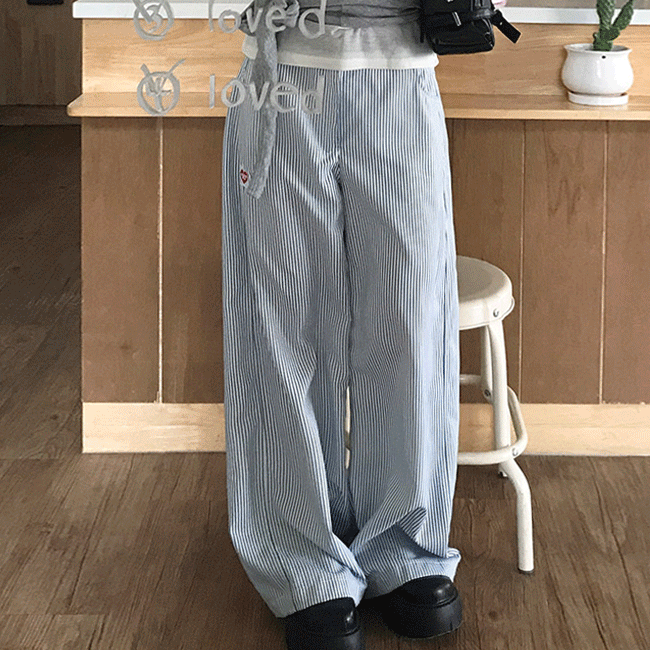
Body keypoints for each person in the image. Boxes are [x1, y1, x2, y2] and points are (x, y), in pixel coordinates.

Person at [221, 2, 463, 648]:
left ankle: (405, 545)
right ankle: (301, 559)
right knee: (285, 329)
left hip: (402, 71)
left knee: (410, 325)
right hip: (284, 76)